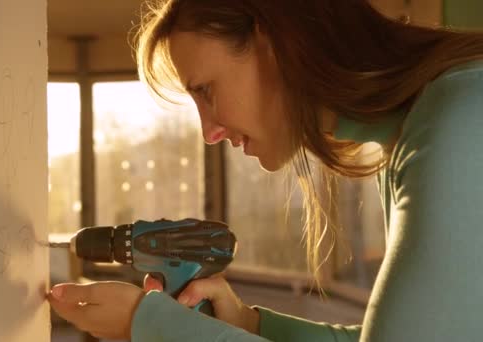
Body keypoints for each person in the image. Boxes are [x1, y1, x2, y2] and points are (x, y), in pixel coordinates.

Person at [47, 0, 483, 340]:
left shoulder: (460, 123)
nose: (208, 132)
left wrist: (151, 326)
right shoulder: (416, 135)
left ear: (275, 45)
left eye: (205, 90)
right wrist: (246, 325)